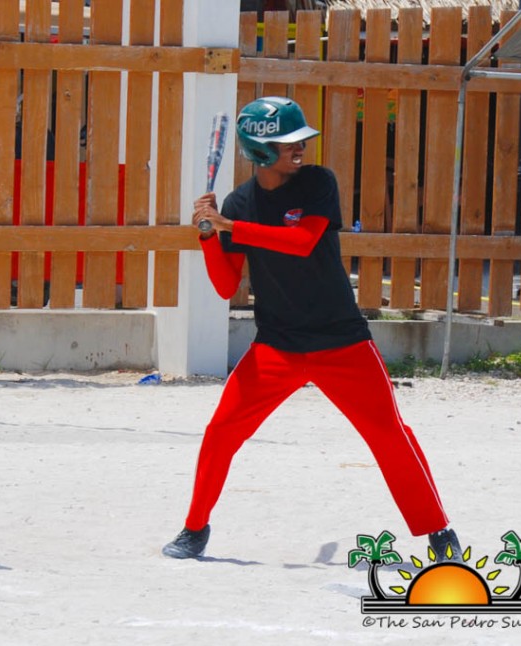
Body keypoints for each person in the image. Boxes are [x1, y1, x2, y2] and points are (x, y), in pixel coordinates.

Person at [161, 97, 463, 562]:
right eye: (287, 142)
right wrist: (208, 236)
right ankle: (195, 528)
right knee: (221, 431)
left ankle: (438, 532)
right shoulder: (241, 204)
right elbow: (225, 286)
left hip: (341, 340)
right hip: (277, 345)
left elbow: (302, 242)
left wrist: (230, 225)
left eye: (300, 140)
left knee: (388, 434)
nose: (299, 148)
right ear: (260, 150)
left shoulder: (318, 183)